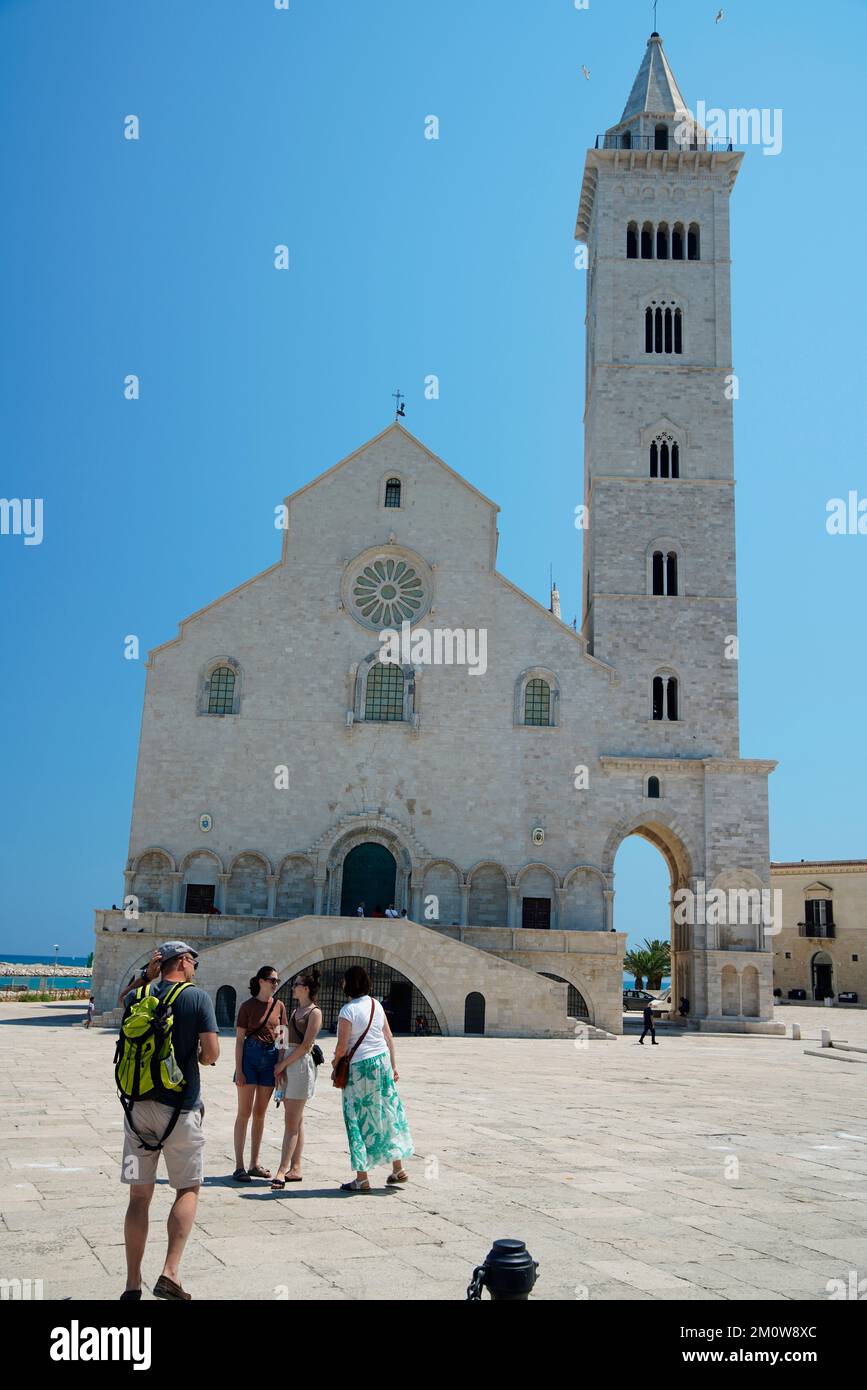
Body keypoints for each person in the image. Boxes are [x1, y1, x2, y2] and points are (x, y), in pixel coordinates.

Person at [119, 940, 219, 1301]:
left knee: (138, 1197)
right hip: (181, 1108)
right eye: (194, 961)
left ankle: (132, 1284)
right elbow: (211, 1054)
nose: (195, 967)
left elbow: (121, 1004)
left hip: (136, 1108)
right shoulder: (197, 998)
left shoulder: (138, 996)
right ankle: (170, 1273)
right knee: (187, 1188)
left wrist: (146, 976)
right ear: (184, 961)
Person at [333, 965, 413, 1193]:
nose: (341, 984)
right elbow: (388, 1037)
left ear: (350, 984)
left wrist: (334, 1064)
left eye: (344, 980)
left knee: (357, 1119)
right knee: (387, 1113)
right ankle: (398, 1168)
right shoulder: (376, 1005)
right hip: (382, 1063)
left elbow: (341, 1047)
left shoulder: (347, 1011)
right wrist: (394, 1066)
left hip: (359, 1068)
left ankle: (362, 1178)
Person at [232, 966, 287, 1182]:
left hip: (271, 1057)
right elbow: (238, 1041)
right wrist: (239, 1070)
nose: (275, 983)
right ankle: (239, 1166)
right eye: (272, 980)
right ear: (261, 981)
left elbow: (283, 1037)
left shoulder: (279, 1005)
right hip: (250, 1056)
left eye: (277, 980)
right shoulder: (247, 1006)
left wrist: (280, 1064)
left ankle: (254, 1163)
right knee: (244, 1112)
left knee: (260, 1114)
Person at [270, 970, 322, 1188]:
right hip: (287, 1065)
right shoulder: (294, 1011)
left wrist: (284, 1063)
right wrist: (280, 1063)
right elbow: (285, 1038)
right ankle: (296, 1166)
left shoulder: (314, 1013)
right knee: (295, 1119)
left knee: (290, 1122)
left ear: (306, 988)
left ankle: (282, 1170)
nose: (293, 987)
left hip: (300, 1066)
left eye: (297, 984)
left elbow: (306, 1045)